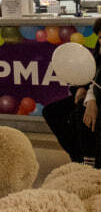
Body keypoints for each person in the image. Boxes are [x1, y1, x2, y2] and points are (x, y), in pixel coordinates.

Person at [44, 18, 101, 166]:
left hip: (98, 95)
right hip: (91, 93)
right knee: (52, 112)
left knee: (80, 115)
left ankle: (89, 160)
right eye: (100, 37)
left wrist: (92, 99)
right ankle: (77, 156)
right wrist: (81, 88)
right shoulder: (99, 47)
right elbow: (91, 72)